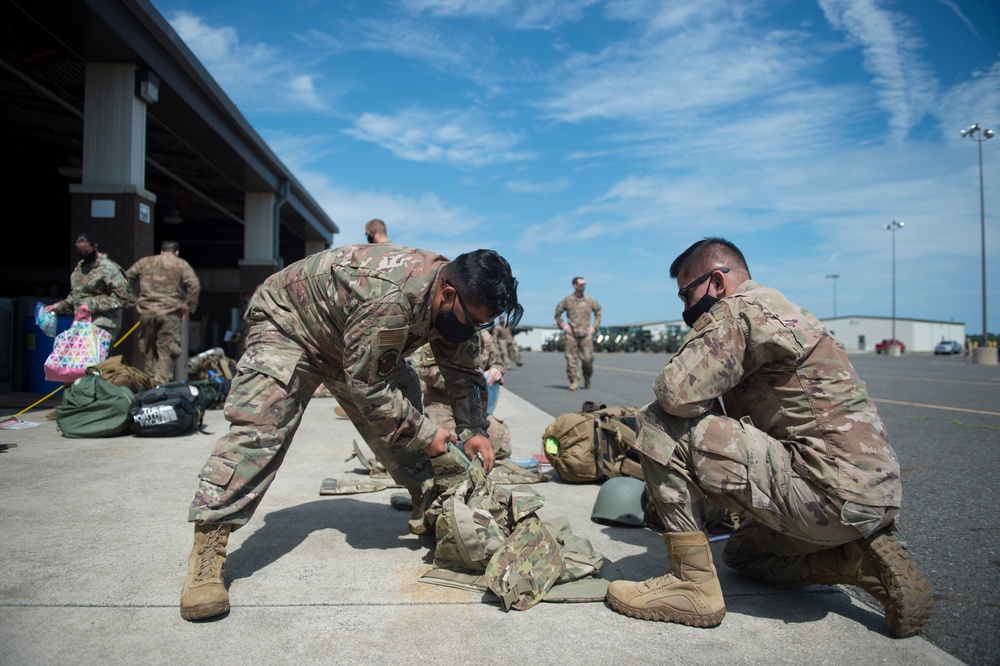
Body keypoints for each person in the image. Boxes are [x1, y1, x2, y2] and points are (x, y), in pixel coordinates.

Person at [604, 237, 933, 638]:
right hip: (874, 498)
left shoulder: (740, 309)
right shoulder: (792, 311)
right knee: (742, 555)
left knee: (657, 421)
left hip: (825, 491)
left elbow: (675, 393)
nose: (685, 308)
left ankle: (691, 585)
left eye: (688, 294)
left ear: (718, 281)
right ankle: (850, 561)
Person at [180, 245, 522, 621]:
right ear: (448, 294)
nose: (474, 330)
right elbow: (367, 387)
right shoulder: (391, 295)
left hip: (354, 339)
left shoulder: (457, 303)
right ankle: (209, 547)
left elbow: (465, 373)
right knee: (262, 428)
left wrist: (474, 429)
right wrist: (427, 435)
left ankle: (431, 501)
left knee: (406, 407)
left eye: (483, 325)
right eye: (473, 321)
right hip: (291, 328)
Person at [414, 328, 512, 460]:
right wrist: (465, 379)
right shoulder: (443, 332)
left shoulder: (485, 337)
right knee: (445, 446)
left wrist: (496, 370)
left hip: (471, 407)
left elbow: (498, 363)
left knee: (503, 446)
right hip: (441, 404)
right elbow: (425, 372)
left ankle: (467, 450)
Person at [124, 241, 201, 386]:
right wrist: (187, 306)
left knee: (148, 352)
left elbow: (125, 278)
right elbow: (194, 285)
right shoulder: (180, 264)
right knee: (166, 352)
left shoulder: (145, 262)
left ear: (161, 251)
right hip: (169, 313)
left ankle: (148, 386)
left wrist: (132, 301)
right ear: (176, 252)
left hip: (146, 313)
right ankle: (160, 387)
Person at [45, 232, 131, 340]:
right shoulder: (80, 269)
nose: (83, 254)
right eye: (80, 252)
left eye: (86, 251)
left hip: (102, 324)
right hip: (82, 324)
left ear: (95, 247)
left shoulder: (109, 268)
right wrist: (58, 307)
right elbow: (77, 296)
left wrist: (92, 305)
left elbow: (123, 297)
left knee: (94, 356)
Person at [554, 276, 601, 391]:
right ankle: (574, 380)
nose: (583, 286)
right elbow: (557, 314)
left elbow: (598, 312)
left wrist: (594, 327)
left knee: (588, 359)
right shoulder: (567, 300)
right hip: (572, 335)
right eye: (581, 284)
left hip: (586, 335)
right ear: (574, 285)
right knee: (571, 359)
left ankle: (587, 377)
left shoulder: (589, 300)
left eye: (584, 284)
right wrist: (564, 326)